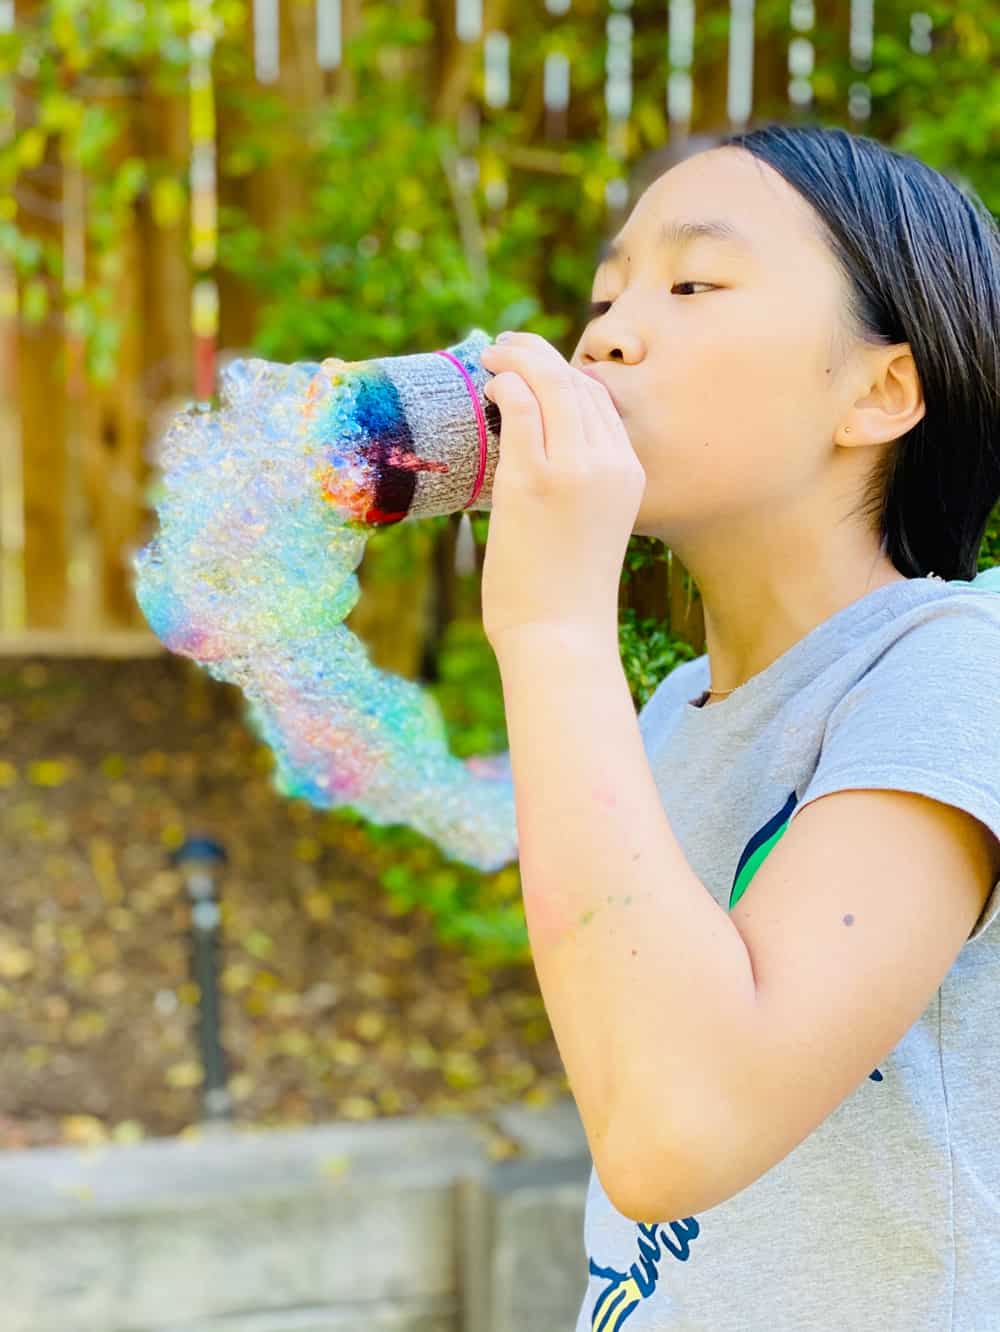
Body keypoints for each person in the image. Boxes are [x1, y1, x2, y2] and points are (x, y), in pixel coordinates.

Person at [554, 122, 1000, 1330]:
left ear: (879, 390)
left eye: (693, 283)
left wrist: (549, 624)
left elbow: (671, 1134)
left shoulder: (954, 671)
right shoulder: (660, 717)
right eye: (606, 295)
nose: (605, 333)